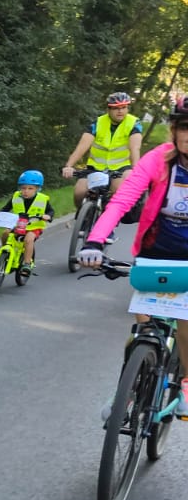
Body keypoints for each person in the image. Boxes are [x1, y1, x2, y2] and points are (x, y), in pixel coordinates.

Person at [79, 96, 188, 377]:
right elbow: (122, 200)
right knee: (143, 330)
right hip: (155, 252)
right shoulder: (158, 159)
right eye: (184, 127)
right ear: (174, 130)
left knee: (186, 326)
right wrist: (95, 240)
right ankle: (130, 388)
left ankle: (186, 382)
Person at [64, 91, 142, 207]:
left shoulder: (133, 123)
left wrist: (136, 170)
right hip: (95, 167)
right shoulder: (98, 122)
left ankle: (108, 219)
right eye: (116, 108)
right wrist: (69, 166)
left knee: (118, 192)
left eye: (124, 107)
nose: (120, 111)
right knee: (79, 192)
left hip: (120, 168)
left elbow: (135, 148)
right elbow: (82, 147)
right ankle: (81, 219)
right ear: (108, 109)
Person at [0, 170, 53, 272]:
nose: (26, 191)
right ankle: (5, 253)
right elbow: (6, 208)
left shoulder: (43, 199)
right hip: (17, 224)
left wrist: (48, 216)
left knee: (28, 240)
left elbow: (50, 211)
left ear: (37, 189)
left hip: (33, 227)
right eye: (23, 188)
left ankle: (26, 263)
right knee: (5, 233)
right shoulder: (16, 196)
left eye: (30, 188)